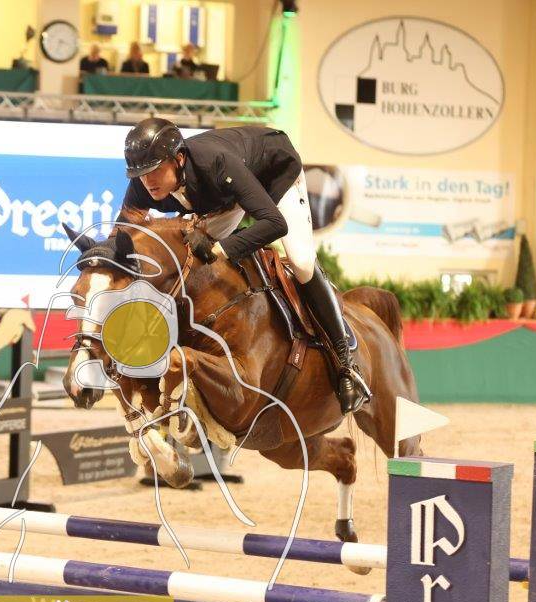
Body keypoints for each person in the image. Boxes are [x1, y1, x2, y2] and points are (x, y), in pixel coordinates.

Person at [116, 118, 369, 414]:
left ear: (179, 159)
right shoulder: (143, 184)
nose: (148, 181)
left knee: (301, 262)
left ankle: (345, 364)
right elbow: (120, 239)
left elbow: (275, 223)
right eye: (141, 174)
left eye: (155, 170)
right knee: (188, 254)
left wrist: (220, 249)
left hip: (272, 174)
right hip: (226, 193)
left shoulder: (216, 163)